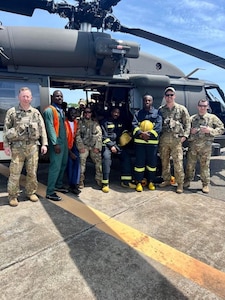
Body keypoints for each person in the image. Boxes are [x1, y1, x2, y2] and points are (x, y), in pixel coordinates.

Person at [3, 87, 48, 207]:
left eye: (28, 96)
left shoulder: (35, 113)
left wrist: (44, 144)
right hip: (17, 148)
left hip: (33, 147)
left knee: (32, 172)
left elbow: (42, 129)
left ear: (31, 98)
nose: (26, 98)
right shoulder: (12, 112)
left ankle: (31, 192)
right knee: (14, 173)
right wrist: (6, 146)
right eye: (23, 96)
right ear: (19, 97)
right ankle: (13, 196)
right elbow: (6, 130)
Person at [184, 99, 224, 193]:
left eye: (204, 106)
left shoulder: (212, 118)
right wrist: (190, 131)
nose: (202, 108)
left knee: (205, 166)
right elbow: (185, 129)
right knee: (190, 165)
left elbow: (221, 128)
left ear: (208, 107)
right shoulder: (192, 118)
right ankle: (187, 181)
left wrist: (210, 131)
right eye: (201, 106)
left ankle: (205, 184)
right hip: (193, 146)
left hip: (205, 147)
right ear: (198, 107)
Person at [158, 87, 191, 193]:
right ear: (164, 97)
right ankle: (167, 180)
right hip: (164, 139)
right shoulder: (161, 109)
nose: (169, 97)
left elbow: (187, 123)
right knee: (164, 161)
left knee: (178, 162)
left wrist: (185, 136)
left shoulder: (181, 109)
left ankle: (180, 183)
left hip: (177, 140)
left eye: (171, 95)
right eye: (167, 95)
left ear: (174, 96)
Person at [101, 107, 136, 193]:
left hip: (118, 146)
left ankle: (126, 182)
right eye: (114, 112)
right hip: (107, 145)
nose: (116, 114)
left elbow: (123, 133)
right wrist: (111, 146)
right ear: (111, 112)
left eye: (118, 113)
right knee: (106, 158)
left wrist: (127, 135)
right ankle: (105, 183)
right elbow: (103, 137)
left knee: (126, 157)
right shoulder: (104, 122)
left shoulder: (121, 122)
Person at [132, 94, 162, 192]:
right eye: (145, 100)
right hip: (140, 144)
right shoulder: (138, 113)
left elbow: (158, 127)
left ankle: (151, 182)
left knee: (152, 165)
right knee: (139, 164)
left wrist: (148, 135)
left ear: (152, 101)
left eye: (149, 100)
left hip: (152, 144)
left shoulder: (157, 113)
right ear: (143, 101)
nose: (147, 102)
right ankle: (139, 182)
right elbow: (134, 125)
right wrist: (141, 133)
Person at [43, 90, 68, 201]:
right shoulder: (49, 111)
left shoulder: (60, 110)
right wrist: (55, 143)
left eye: (61, 96)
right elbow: (50, 128)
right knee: (55, 167)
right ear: (52, 97)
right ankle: (50, 191)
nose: (59, 98)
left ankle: (58, 185)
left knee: (63, 164)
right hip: (57, 143)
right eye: (57, 96)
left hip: (64, 143)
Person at [76, 106, 102, 188]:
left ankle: (99, 179)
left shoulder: (95, 123)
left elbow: (99, 135)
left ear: (91, 113)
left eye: (89, 112)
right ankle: (80, 181)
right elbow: (77, 135)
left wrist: (97, 147)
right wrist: (81, 147)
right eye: (86, 112)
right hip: (84, 146)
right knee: (81, 160)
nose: (87, 113)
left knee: (98, 160)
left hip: (93, 146)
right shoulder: (80, 123)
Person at [64, 107, 81, 195]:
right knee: (69, 163)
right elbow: (63, 140)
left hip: (73, 145)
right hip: (66, 147)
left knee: (78, 160)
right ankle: (71, 185)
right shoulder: (64, 123)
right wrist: (70, 153)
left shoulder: (76, 123)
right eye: (71, 113)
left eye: (75, 113)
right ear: (68, 113)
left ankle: (75, 183)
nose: (73, 115)